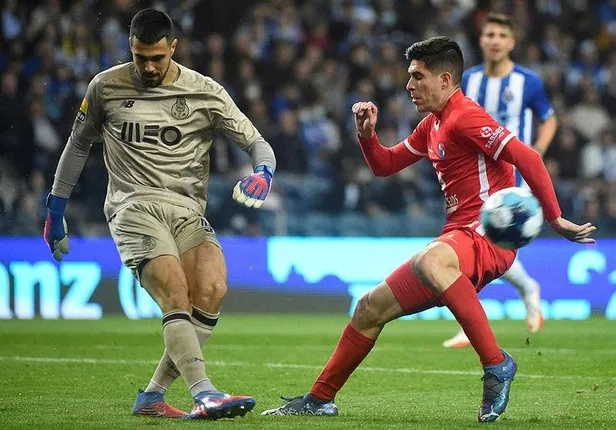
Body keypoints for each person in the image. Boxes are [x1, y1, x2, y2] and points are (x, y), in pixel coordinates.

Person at [261, 36, 595, 422]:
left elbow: (529, 157)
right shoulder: (431, 125)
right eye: (410, 76)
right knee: (368, 308)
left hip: (488, 236)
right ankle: (320, 399)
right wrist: (368, 136)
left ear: (445, 79)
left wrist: (554, 218)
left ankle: (496, 364)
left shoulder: (465, 116)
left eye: (418, 76)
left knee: (431, 261)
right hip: (458, 238)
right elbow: (385, 165)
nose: (409, 85)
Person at [43, 9, 276, 420]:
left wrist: (263, 173)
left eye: (157, 58)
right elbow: (78, 145)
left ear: (173, 48)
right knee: (175, 292)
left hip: (187, 209)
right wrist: (55, 207)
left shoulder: (205, 91)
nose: (149, 67)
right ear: (130, 48)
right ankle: (204, 393)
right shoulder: (105, 87)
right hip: (133, 205)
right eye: (140, 57)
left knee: (213, 288)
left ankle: (152, 396)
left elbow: (257, 143)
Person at [442, 12, 558, 348]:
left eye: (501, 35)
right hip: (472, 174)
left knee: (486, 242)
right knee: (482, 244)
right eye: (489, 34)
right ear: (481, 40)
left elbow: (549, 119)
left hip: (512, 175)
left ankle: (473, 317)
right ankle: (526, 289)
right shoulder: (469, 81)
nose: (495, 41)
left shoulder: (528, 82)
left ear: (512, 42)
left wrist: (536, 151)